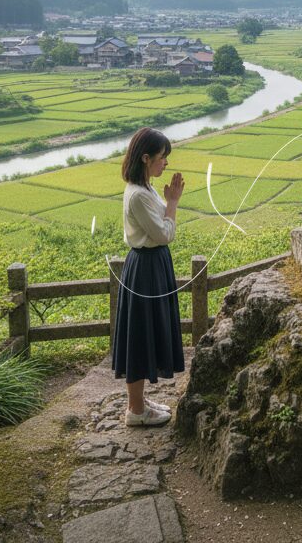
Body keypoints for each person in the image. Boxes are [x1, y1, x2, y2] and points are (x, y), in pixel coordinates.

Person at [113, 127, 184, 427]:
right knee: (140, 334)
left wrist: (167, 201)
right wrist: (173, 202)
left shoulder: (145, 188)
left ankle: (139, 401)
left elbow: (161, 229)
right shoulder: (139, 195)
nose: (165, 163)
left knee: (145, 330)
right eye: (162, 157)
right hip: (146, 268)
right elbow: (164, 234)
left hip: (152, 264)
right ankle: (136, 410)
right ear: (145, 158)